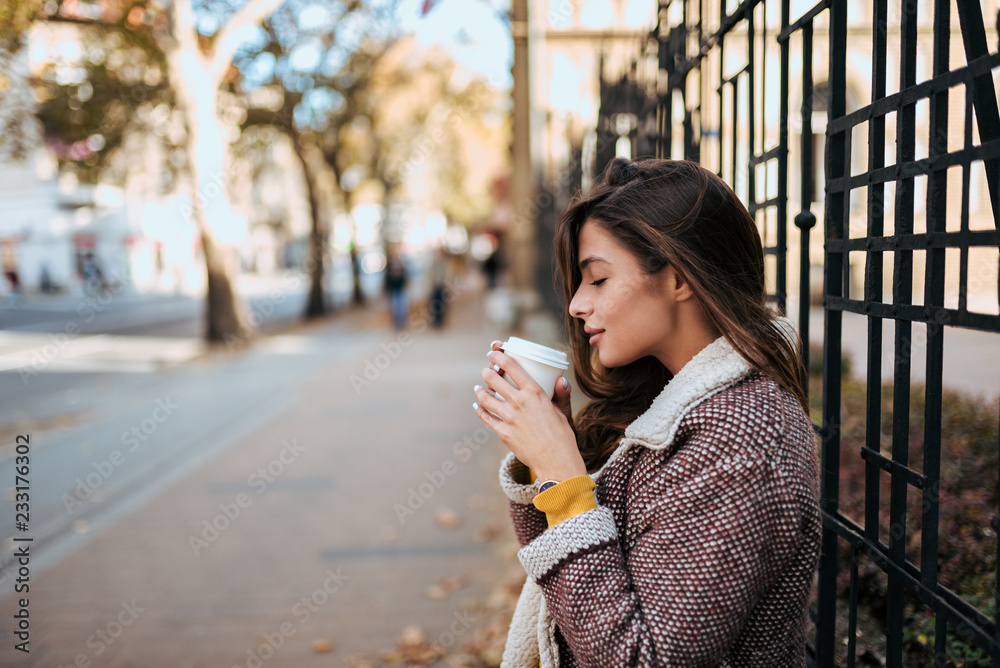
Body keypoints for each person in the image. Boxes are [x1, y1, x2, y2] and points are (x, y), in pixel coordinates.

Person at [472, 157, 821, 667]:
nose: (575, 305)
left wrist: (562, 478)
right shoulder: (672, 400)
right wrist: (544, 457)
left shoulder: (742, 439)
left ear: (678, 278)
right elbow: (561, 590)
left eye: (597, 280)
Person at [384, 246, 409, 330]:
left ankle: (401, 322)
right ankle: (396, 322)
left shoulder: (402, 266)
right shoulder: (389, 267)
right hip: (393, 289)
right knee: (394, 307)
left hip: (400, 289)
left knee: (401, 307)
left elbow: (405, 278)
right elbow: (387, 280)